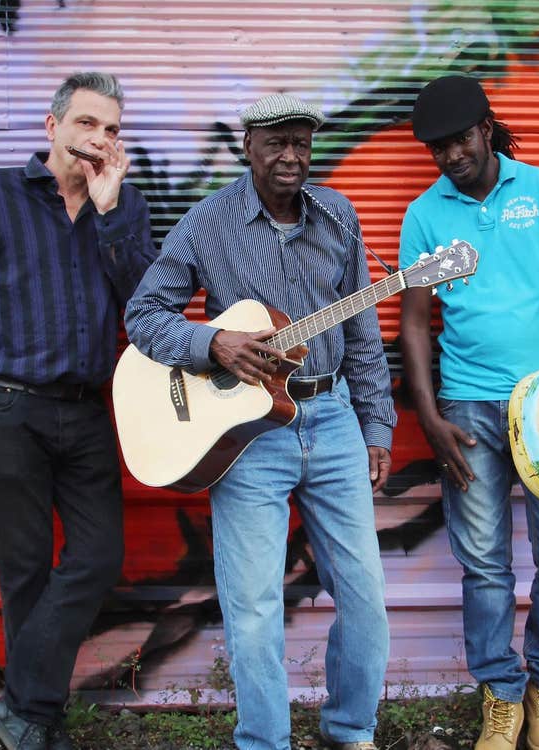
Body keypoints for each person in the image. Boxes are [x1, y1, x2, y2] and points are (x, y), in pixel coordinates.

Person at [123, 93, 395, 750]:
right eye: (276, 143)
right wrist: (211, 344)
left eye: (301, 143)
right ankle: (265, 743)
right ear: (248, 146)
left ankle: (351, 731)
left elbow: (362, 334)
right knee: (253, 610)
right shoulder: (207, 224)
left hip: (331, 420)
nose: (291, 157)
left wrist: (377, 426)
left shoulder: (339, 217)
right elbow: (143, 316)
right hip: (248, 436)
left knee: (364, 598)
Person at [397, 76, 539, 750]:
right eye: (437, 148)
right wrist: (430, 414)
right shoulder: (426, 215)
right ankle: (501, 694)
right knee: (485, 565)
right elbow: (414, 323)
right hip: (466, 408)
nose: (450, 156)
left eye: (460, 140)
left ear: (486, 129)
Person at [0, 71, 156, 750]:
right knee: (24, 568)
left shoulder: (127, 206)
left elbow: (145, 305)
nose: (99, 139)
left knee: (98, 556)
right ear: (52, 126)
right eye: (88, 123)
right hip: (9, 406)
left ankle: (20, 707)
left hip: (89, 412)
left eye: (112, 130)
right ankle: (37, 720)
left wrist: (112, 212)